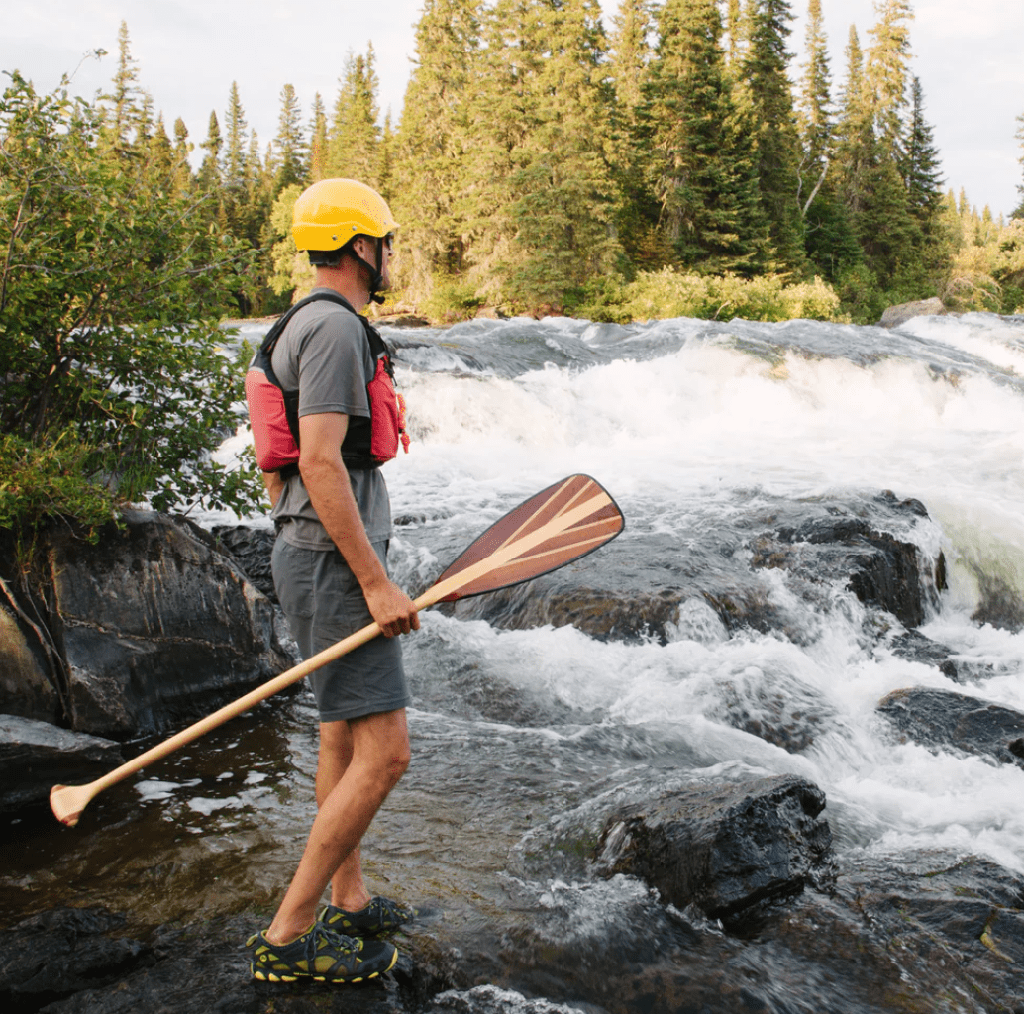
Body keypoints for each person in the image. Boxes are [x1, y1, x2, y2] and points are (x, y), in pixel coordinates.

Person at [246, 178, 420, 985]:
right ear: (360, 247)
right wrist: (376, 582)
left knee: (340, 736)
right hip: (328, 560)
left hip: (312, 553)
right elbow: (319, 460)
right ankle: (288, 934)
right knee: (386, 755)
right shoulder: (335, 330)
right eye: (383, 241)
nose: (390, 254)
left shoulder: (305, 321)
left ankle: (347, 899)